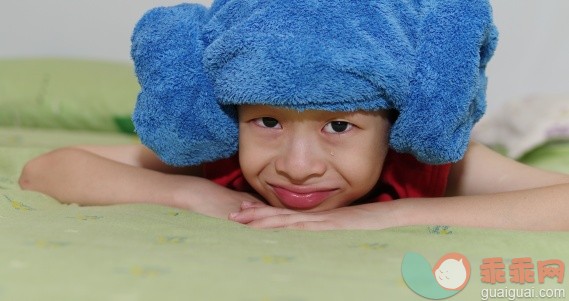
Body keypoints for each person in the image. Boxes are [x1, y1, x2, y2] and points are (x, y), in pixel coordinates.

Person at [18, 0, 569, 231]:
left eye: (338, 125)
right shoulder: (216, 157)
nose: (297, 166)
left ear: (397, 122)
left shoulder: (422, 165)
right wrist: (191, 194)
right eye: (268, 122)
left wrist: (391, 216)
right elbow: (44, 169)